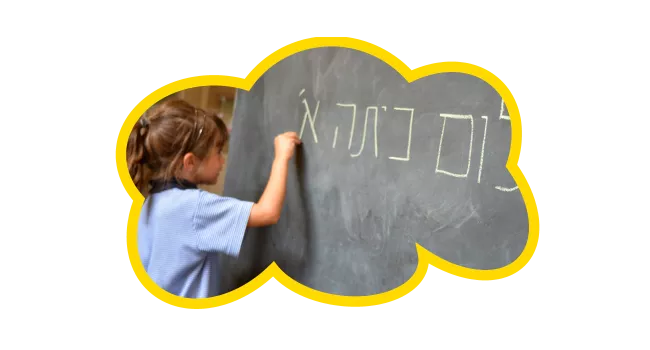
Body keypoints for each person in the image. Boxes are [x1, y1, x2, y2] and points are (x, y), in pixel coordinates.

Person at [126, 98, 302, 299]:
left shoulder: (149, 203)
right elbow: (268, 213)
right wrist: (281, 157)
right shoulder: (193, 207)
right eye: (217, 152)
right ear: (190, 162)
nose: (222, 160)